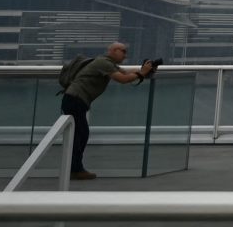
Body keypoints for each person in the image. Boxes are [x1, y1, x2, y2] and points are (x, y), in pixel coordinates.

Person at [55, 40, 160, 179]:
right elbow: (123, 79)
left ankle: (74, 168)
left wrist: (144, 70)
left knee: (80, 134)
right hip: (75, 99)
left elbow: (127, 73)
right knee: (80, 135)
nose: (125, 55)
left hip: (75, 100)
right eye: (123, 51)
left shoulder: (109, 64)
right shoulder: (103, 63)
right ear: (113, 51)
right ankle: (75, 169)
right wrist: (141, 73)